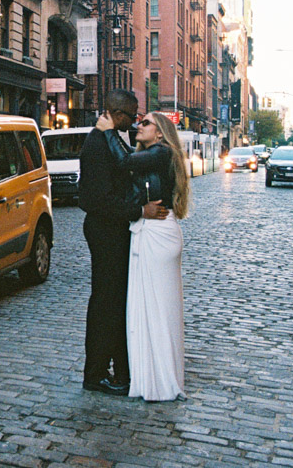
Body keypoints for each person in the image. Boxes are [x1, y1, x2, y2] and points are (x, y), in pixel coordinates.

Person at [77, 90, 167, 396]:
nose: (135, 121)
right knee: (105, 304)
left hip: (116, 230)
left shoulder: (110, 138)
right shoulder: (98, 142)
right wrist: (139, 211)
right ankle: (95, 374)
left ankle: (119, 370)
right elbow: (96, 199)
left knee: (115, 304)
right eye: (133, 116)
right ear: (119, 115)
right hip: (105, 231)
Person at [97, 110, 190, 402]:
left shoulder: (161, 152)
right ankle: (151, 374)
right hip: (152, 231)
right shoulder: (155, 153)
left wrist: (108, 131)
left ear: (160, 132)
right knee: (151, 308)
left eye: (146, 123)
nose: (139, 125)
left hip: (157, 234)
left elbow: (122, 161)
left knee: (157, 310)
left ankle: (159, 379)